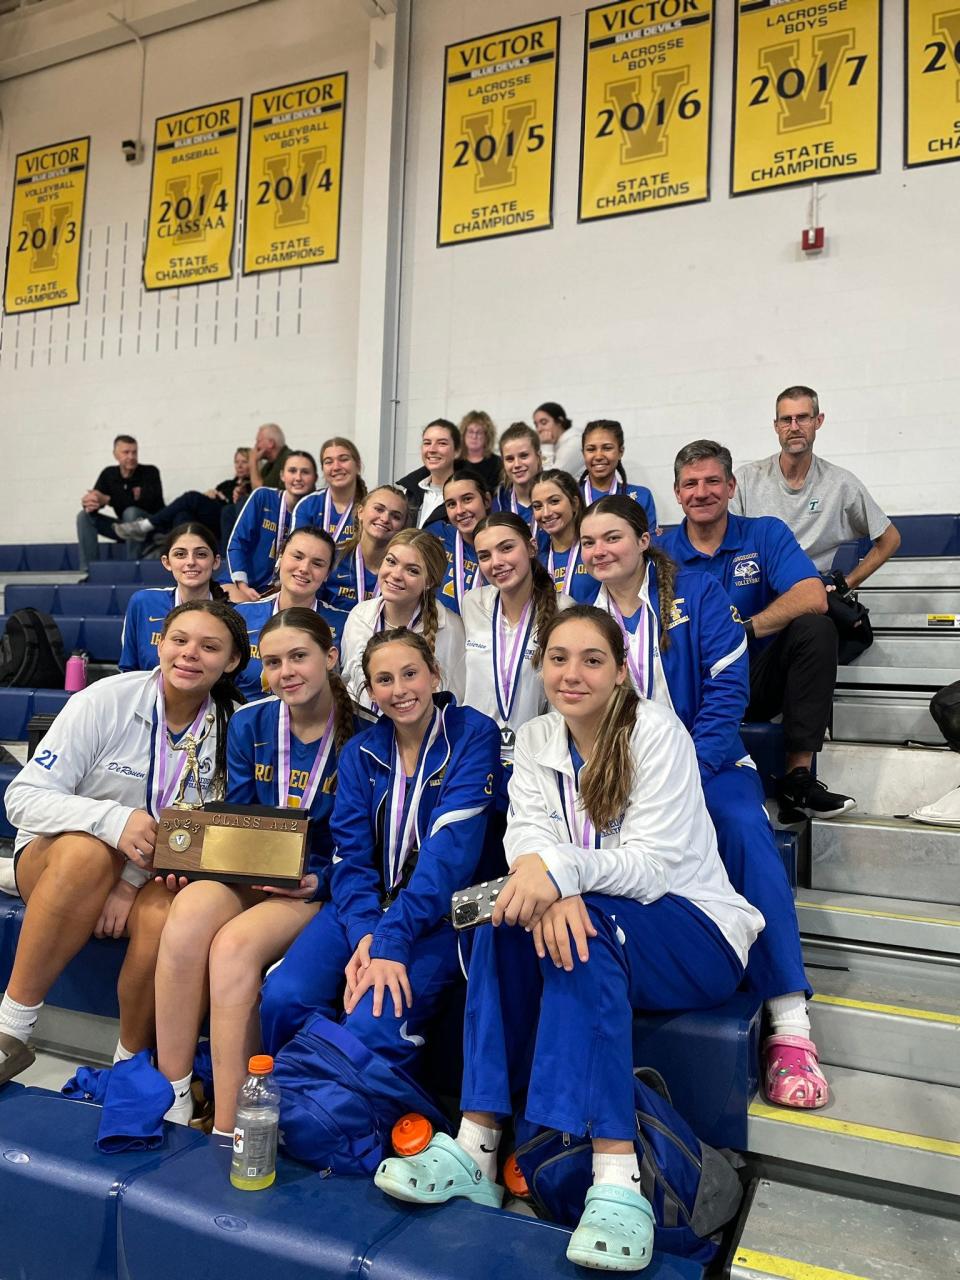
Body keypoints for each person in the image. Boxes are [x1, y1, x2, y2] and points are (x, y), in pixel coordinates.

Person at [375, 609, 762, 1272]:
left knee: (585, 934)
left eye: (590, 660)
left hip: (694, 928)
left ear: (620, 672)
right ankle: (477, 1148)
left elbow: (652, 867)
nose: (571, 674)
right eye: (558, 658)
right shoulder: (536, 737)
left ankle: (617, 1180)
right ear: (541, 666)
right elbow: (526, 835)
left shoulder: (656, 732)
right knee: (502, 920)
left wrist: (561, 876)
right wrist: (543, 879)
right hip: (591, 910)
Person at [581, 496, 826, 1108]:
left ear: (645, 538)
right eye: (589, 542)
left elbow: (726, 693)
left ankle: (789, 1021)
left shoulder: (697, 592)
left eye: (612, 536)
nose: (600, 551)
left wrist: (681, 768)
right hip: (617, 772)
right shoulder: (583, 612)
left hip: (705, 761)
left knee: (744, 825)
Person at [257, 631, 501, 1155]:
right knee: (281, 998)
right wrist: (368, 933)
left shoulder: (472, 735)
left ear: (435, 675)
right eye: (383, 680)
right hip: (365, 913)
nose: (399, 690)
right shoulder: (362, 751)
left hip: (442, 917)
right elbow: (350, 859)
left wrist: (388, 943)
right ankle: (303, 1115)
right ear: (369, 691)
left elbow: (447, 860)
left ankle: (357, 1134)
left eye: (410, 674)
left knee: (372, 1023)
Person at [0, 600, 248, 1085]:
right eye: (179, 640)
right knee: (87, 855)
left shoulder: (238, 724)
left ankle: (129, 1064)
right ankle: (12, 1030)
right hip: (61, 859)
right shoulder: (105, 698)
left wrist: (130, 881)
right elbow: (22, 797)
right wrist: (112, 820)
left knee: (167, 918)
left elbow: (217, 831)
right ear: (160, 643)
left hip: (155, 873)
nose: (190, 654)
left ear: (232, 661)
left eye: (209, 646)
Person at [154, 608, 357, 1133]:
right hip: (253, 872)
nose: (286, 670)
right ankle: (173, 1092)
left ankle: (231, 1122)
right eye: (273, 662)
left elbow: (368, 849)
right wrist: (199, 860)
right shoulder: (250, 723)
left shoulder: (364, 736)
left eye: (299, 657)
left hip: (314, 884)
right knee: (188, 911)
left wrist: (320, 880)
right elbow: (241, 817)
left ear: (330, 658)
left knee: (234, 947)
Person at [660, 440, 855, 819]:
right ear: (677, 493)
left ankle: (798, 777)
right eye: (691, 484)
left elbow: (813, 595)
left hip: (754, 677)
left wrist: (742, 632)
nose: (702, 492)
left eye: (712, 481)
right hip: (688, 687)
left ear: (731, 487)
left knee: (817, 627)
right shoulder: (661, 555)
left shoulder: (764, 534)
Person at [731, 385, 901, 586]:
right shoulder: (746, 480)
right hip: (756, 590)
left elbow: (890, 539)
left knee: (815, 618)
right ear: (776, 426)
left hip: (811, 591)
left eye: (802, 418)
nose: (794, 427)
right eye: (786, 420)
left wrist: (847, 584)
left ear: (818, 421)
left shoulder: (840, 484)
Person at [462, 512, 570, 808]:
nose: (496, 562)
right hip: (475, 758)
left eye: (506, 548)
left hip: (535, 762)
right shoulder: (472, 604)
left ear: (532, 547)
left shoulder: (565, 611)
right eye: (484, 555)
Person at [341, 530, 465, 711]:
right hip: (365, 731)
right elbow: (350, 681)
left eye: (412, 570)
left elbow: (455, 699)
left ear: (429, 581)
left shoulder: (451, 629)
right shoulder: (359, 616)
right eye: (391, 561)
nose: (396, 574)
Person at [235, 526, 346, 700]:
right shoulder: (242, 615)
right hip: (246, 722)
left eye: (317, 563)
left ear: (327, 574)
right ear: (280, 558)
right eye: (297, 556)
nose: (304, 568)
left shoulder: (343, 623)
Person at [119, 523, 228, 671]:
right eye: (180, 554)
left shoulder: (232, 615)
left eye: (201, 554)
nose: (190, 562)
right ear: (166, 562)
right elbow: (128, 669)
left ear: (215, 562)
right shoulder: (143, 603)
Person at [113, 448, 252, 549]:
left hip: (225, 521)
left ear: (252, 464)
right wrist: (209, 495)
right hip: (210, 518)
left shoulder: (253, 487)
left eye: (244, 462)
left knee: (191, 497)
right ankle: (178, 550)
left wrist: (231, 498)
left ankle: (148, 525)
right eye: (237, 462)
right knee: (182, 514)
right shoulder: (227, 484)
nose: (239, 465)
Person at [226, 450, 319, 600]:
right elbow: (237, 542)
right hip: (244, 584)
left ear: (315, 478)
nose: (298, 477)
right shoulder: (263, 496)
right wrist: (242, 585)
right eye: (292, 471)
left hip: (281, 592)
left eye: (305, 472)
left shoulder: (316, 513)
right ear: (282, 475)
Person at [76, 434, 165, 574]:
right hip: (123, 528)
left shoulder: (150, 472)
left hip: (150, 528)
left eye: (134, 452)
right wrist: (90, 502)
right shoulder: (108, 474)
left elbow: (145, 504)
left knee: (131, 512)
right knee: (84, 516)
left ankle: (132, 567)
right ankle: (88, 570)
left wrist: (108, 500)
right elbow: (98, 499)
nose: (131, 456)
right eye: (126, 452)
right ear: (115, 455)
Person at [322, 485, 409, 609]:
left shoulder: (403, 572)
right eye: (379, 509)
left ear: (403, 527)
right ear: (360, 512)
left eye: (396, 517)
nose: (385, 519)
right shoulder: (331, 557)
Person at [578, 420, 657, 533]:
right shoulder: (570, 498)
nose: (599, 456)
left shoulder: (641, 496)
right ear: (583, 453)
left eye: (607, 448)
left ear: (621, 452)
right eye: (591, 449)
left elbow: (650, 544)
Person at [532, 469, 599, 603]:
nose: (546, 513)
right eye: (537, 506)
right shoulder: (537, 561)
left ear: (574, 503)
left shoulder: (597, 551)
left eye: (554, 501)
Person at [292, 437, 367, 547]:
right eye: (328, 462)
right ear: (322, 469)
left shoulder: (371, 507)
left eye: (343, 459)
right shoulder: (308, 505)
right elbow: (298, 550)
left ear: (358, 465)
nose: (336, 467)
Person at [436, 468, 492, 614]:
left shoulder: (506, 545)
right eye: (451, 504)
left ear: (486, 500)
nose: (459, 510)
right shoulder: (437, 536)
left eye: (467, 499)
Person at [396, 420, 461, 528]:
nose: (432, 449)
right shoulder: (407, 493)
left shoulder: (466, 496)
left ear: (457, 451)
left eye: (442, 443)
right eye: (427, 443)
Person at [492, 423, 542, 533]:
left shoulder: (556, 495)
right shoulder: (499, 503)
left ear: (538, 457)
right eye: (510, 459)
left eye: (524, 456)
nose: (517, 464)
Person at [533, 401, 582, 477]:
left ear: (559, 421)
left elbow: (548, 480)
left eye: (544, 422)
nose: (539, 429)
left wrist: (546, 446)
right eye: (536, 425)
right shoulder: (557, 444)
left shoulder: (575, 442)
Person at [458, 410, 501, 493]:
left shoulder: (497, 463)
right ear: (463, 434)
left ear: (487, 436)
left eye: (479, 432)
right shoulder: (455, 464)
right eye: (470, 432)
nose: (474, 436)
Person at [248, 423, 291, 492]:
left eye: (258, 441)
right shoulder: (269, 465)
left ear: (271, 443)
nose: (256, 446)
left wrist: (253, 461)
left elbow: (261, 493)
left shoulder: (288, 460)